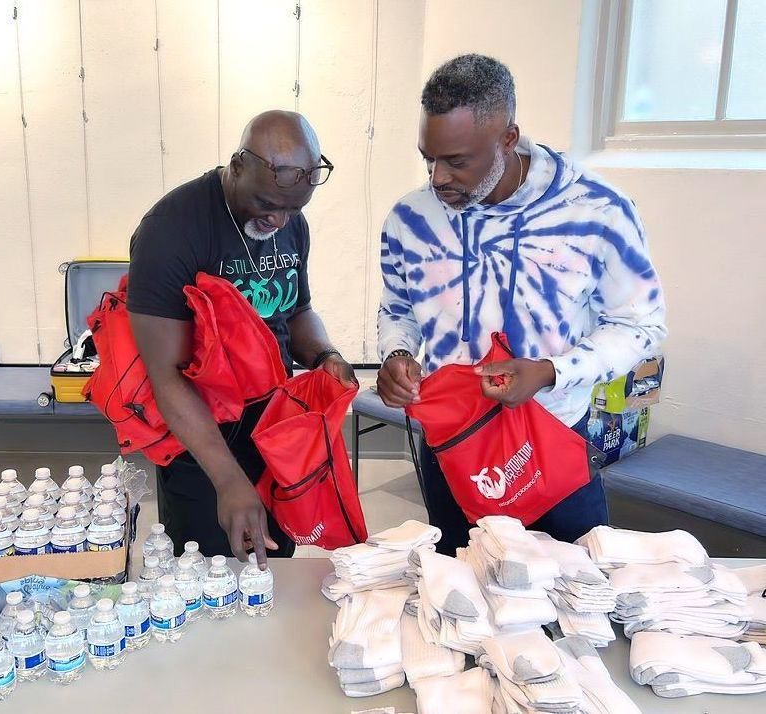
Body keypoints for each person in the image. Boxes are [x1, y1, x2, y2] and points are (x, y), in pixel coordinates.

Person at [376, 55, 666, 553]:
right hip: (452, 443)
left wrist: (550, 371)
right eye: (429, 157)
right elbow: (397, 308)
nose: (438, 177)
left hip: (552, 437)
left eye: (457, 161)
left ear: (509, 138)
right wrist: (396, 354)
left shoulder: (596, 209)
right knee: (461, 595)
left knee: (578, 594)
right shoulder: (410, 217)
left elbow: (641, 325)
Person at [127, 110, 356, 566]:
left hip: (274, 427)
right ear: (236, 166)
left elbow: (297, 310)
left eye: (293, 209)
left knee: (274, 565)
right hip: (201, 438)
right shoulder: (171, 229)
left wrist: (326, 354)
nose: (278, 219)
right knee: (209, 570)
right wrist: (229, 480)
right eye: (267, 203)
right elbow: (166, 375)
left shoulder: (290, 219)